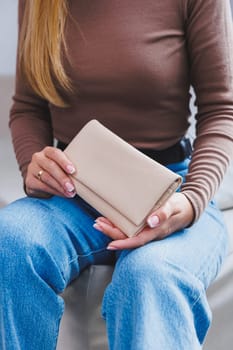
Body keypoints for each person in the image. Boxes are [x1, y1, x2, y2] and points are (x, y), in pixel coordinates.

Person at [1, 0, 233, 349]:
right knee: (11, 239)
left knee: (150, 275)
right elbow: (28, 108)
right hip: (72, 191)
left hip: (170, 191)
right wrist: (33, 165)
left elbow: (221, 110)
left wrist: (189, 202)